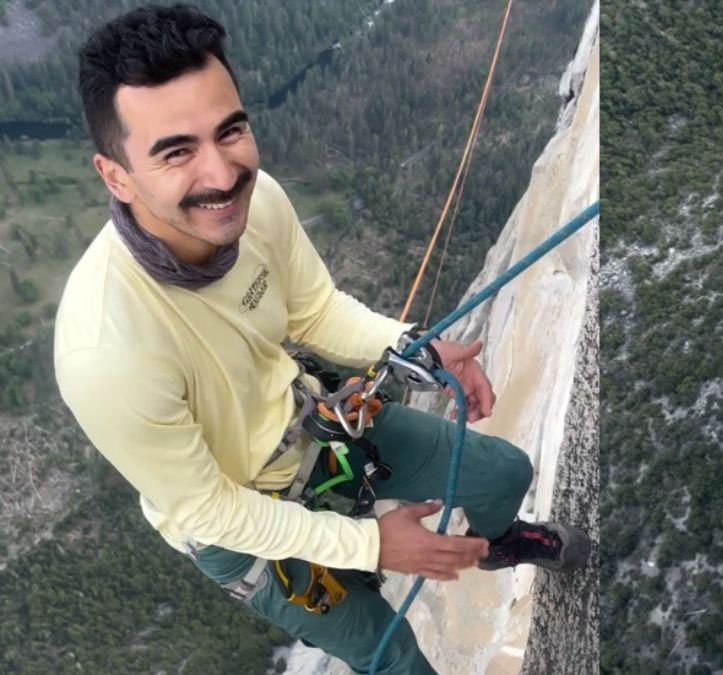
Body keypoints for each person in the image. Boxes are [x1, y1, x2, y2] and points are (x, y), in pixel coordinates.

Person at [53, 5, 587, 673]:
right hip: (245, 519)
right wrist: (370, 546)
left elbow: (313, 310)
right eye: (176, 152)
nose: (222, 174)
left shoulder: (258, 202)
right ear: (115, 175)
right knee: (394, 658)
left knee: (504, 472)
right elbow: (213, 510)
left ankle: (500, 540)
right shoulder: (106, 349)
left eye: (231, 131)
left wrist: (410, 347)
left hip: (317, 433)